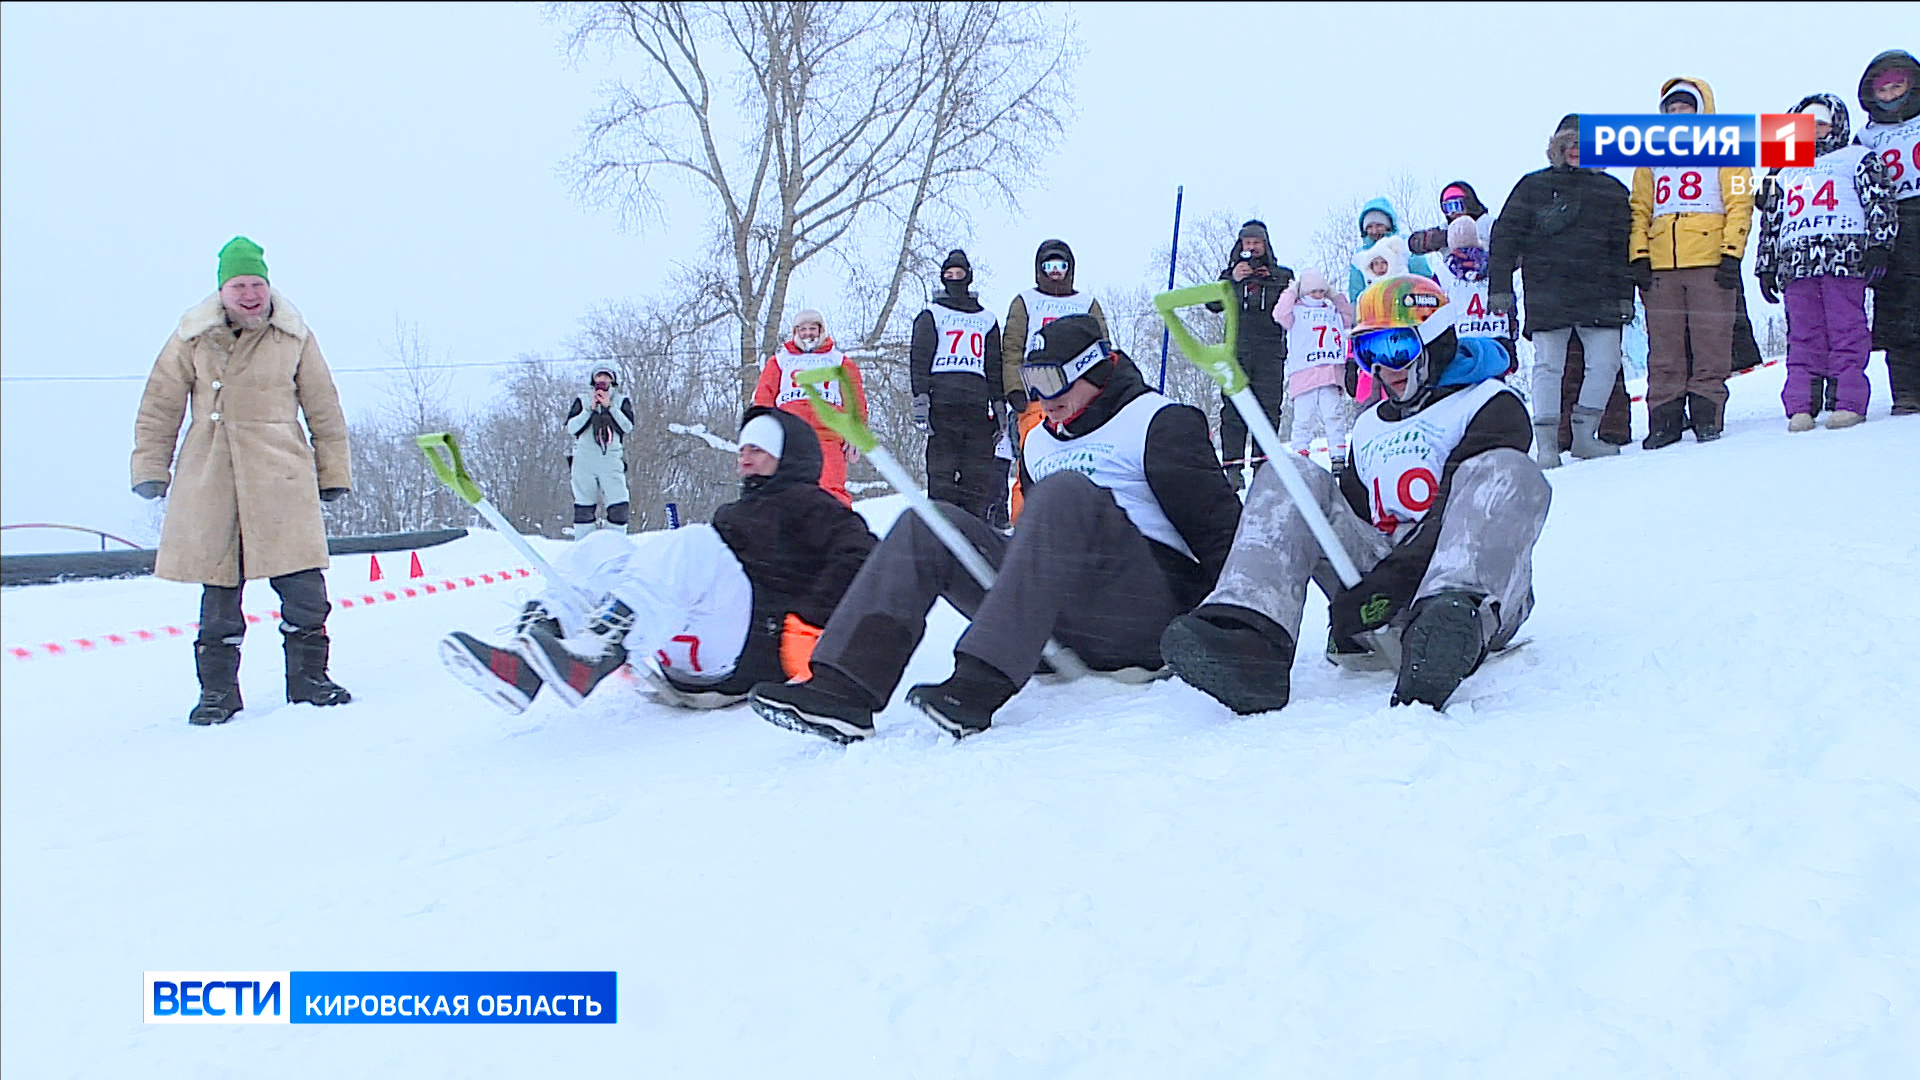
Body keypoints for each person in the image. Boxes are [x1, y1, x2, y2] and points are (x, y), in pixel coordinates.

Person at [747, 314, 1241, 743]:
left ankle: (980, 681)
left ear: (1093, 368)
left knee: (1065, 491)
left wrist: (1222, 634)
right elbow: (1036, 541)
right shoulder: (1040, 444)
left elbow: (1222, 536)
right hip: (1056, 615)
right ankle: (843, 686)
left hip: (1142, 608)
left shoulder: (1158, 421)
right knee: (931, 521)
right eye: (1032, 385)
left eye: (1052, 382)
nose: (1042, 400)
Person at [1160, 276, 1547, 715]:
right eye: (1369, 352)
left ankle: (1445, 631)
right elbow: (1352, 520)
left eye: (1397, 349)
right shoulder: (1368, 427)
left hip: (1478, 596)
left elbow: (1451, 517)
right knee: (1290, 474)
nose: (1384, 368)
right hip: (1386, 595)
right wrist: (1357, 608)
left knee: (1505, 469)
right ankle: (1250, 638)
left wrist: (1387, 587)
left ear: (1436, 340)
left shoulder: (1491, 403)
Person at [441, 408, 876, 713]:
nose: (744, 456)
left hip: (755, 652)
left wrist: (809, 624)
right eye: (742, 448)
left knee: (692, 544)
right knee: (601, 547)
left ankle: (600, 649)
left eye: (759, 448)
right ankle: (528, 662)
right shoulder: (735, 512)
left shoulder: (814, 505)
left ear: (791, 456)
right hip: (689, 657)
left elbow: (863, 557)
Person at [130, 236, 353, 725]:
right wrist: (150, 466)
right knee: (219, 598)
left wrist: (332, 471)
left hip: (282, 475)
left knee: (305, 591)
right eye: (239, 286)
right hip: (211, 477)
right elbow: (160, 403)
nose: (250, 294)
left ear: (268, 286)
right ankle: (217, 696)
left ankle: (311, 681)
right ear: (222, 291)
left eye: (256, 284)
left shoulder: (294, 336)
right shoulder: (191, 337)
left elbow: (324, 408)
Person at [1489, 113, 1635, 468]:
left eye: (1584, 145)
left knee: (1605, 364)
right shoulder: (1532, 187)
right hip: (1547, 291)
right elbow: (1505, 236)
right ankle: (1547, 447)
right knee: (1547, 368)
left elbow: (1623, 248)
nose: (1576, 151)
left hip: (1599, 292)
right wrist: (1500, 287)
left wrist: (1624, 296)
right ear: (1558, 147)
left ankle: (1585, 437)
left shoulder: (1613, 191)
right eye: (1570, 144)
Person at [1755, 93, 1899, 431]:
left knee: (1847, 330)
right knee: (1803, 335)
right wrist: (1766, 264)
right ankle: (1800, 406)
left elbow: (1880, 202)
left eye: (1821, 123)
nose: (1815, 130)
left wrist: (1880, 245)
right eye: (1807, 125)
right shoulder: (1784, 167)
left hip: (1844, 259)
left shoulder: (1858, 157)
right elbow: (1772, 220)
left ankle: (1849, 401)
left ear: (1836, 124)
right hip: (1797, 263)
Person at [1629, 77, 1754, 448]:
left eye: (1685, 108)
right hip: (1662, 264)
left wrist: (1732, 253)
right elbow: (1640, 209)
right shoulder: (1651, 156)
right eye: (1671, 109)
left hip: (1709, 259)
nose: (1678, 115)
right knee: (1663, 346)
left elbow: (1739, 204)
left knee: (1710, 342)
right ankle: (1664, 419)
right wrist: (1639, 255)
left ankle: (1707, 413)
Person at [999, 239, 1108, 522]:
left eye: (1061, 266)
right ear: (1039, 269)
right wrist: (1014, 389)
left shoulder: (1085, 303)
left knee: (1079, 464)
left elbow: (1102, 348)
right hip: (1037, 398)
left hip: (1079, 400)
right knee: (1033, 465)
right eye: (1049, 266)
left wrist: (1101, 388)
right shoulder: (1026, 301)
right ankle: (1025, 528)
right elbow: (1012, 348)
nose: (1055, 272)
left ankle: (1078, 526)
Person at [910, 249, 1004, 519]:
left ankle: (974, 530)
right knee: (941, 474)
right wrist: (920, 399)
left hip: (976, 407)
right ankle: (941, 530)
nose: (954, 279)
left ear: (969, 277)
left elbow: (994, 365)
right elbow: (919, 357)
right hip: (942, 404)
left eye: (959, 274)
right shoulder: (931, 313)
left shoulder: (987, 319)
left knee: (977, 476)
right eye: (948, 275)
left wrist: (999, 405)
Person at [1855, 49, 1920, 415]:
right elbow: (1820, 159)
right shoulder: (1865, 137)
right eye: (1884, 90)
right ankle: (1907, 392)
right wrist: (1773, 181)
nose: (1892, 94)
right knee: (1898, 310)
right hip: (1891, 225)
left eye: (1899, 86)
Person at [1206, 221, 1294, 489]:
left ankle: (1263, 466)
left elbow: (1294, 304)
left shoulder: (1282, 275)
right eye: (1247, 243)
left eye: (1257, 243)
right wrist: (1234, 280)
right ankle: (1233, 468)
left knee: (1268, 408)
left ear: (1265, 244)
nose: (1252, 248)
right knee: (1233, 410)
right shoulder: (1228, 276)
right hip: (1236, 350)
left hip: (1270, 351)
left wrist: (1270, 279)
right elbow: (1212, 305)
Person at [753, 309, 867, 506]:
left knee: (831, 490)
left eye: (812, 328)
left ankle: (835, 531)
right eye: (803, 329)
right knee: (787, 490)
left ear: (821, 330)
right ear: (795, 332)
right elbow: (764, 396)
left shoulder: (839, 361)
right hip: (790, 437)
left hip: (828, 436)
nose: (808, 334)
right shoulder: (780, 361)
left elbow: (854, 398)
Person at [1274, 267, 1355, 464]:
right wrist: (1292, 290)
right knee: (1303, 419)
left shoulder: (1331, 311)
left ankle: (1338, 456)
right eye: (1313, 291)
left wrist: (1335, 296)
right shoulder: (1295, 312)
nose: (1318, 296)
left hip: (1330, 373)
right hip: (1304, 373)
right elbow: (1279, 314)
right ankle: (1299, 456)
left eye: (1321, 291)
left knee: (1334, 416)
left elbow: (1349, 316)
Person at [565, 365, 635, 537]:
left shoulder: (621, 401)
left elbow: (627, 426)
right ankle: (583, 546)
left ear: (613, 380)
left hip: (611, 460)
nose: (602, 380)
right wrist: (589, 408)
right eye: (599, 376)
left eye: (607, 377)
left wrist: (610, 407)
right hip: (584, 460)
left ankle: (616, 543)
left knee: (619, 504)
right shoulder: (582, 400)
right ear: (593, 379)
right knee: (584, 506)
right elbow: (572, 428)